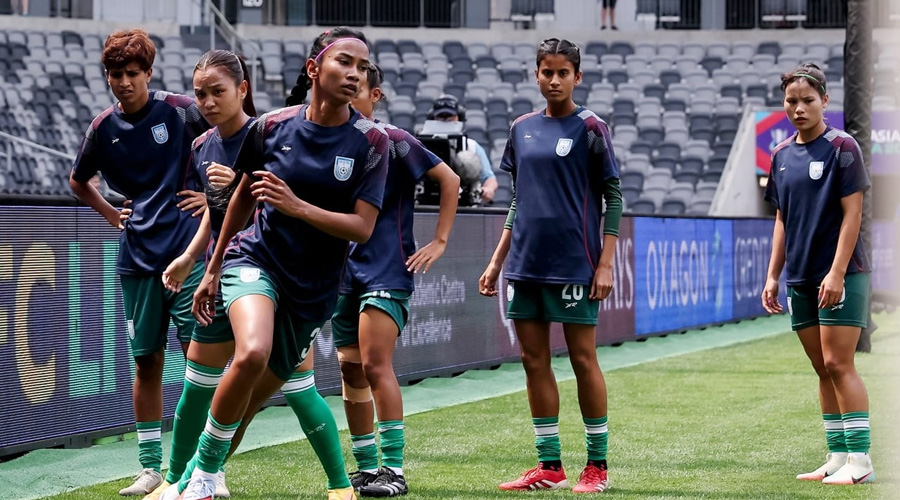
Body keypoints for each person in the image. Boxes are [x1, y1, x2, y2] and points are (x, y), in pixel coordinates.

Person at [173, 27, 388, 500]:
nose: (355, 74)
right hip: (256, 260)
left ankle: (192, 480)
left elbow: (361, 228)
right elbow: (241, 199)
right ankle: (196, 478)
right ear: (313, 68)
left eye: (362, 67)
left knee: (248, 404)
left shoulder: (372, 142)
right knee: (251, 352)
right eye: (344, 62)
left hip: (313, 291)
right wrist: (212, 267)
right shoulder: (269, 127)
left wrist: (298, 207)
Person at [68, 28, 209, 497]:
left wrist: (211, 197)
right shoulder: (101, 128)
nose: (124, 82)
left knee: (199, 363)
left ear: (149, 72)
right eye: (115, 74)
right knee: (146, 362)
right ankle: (150, 467)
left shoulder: (182, 112)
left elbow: (232, 146)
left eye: (132, 72)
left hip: (188, 255)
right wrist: (111, 213)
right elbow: (78, 180)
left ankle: (203, 467)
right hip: (137, 260)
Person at [478, 38, 622, 494]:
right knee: (533, 360)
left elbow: (614, 197)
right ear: (536, 75)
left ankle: (597, 466)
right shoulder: (521, 128)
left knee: (582, 359)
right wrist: (497, 260)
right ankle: (550, 466)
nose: (554, 80)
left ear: (577, 76)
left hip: (575, 264)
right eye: (547, 72)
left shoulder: (591, 127)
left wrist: (605, 263)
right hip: (525, 265)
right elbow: (517, 199)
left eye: (563, 73)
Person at [333, 63, 459, 497]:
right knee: (350, 368)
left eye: (357, 91)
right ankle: (367, 467)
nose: (349, 99)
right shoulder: (333, 141)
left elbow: (449, 179)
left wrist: (440, 240)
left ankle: (394, 470)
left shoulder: (393, 139)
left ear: (376, 96)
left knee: (374, 364)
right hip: (342, 272)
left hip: (386, 269)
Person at [138, 49, 258, 500]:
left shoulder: (267, 136)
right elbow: (218, 211)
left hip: (265, 271)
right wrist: (193, 257)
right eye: (200, 94)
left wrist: (240, 189)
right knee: (199, 379)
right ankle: (181, 479)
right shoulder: (201, 145)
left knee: (291, 385)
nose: (206, 102)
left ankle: (343, 484)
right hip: (219, 269)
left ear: (242, 90)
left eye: (217, 92)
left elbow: (273, 205)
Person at [762, 63, 874, 485]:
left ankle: (861, 461)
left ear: (825, 101)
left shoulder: (843, 147)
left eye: (808, 100)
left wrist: (837, 273)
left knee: (838, 362)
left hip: (841, 275)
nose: (799, 108)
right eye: (791, 101)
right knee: (821, 367)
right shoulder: (779, 154)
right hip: (801, 277)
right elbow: (781, 219)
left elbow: (853, 215)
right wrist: (773, 275)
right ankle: (837, 455)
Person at [428, 94, 498, 204]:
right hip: (427, 202)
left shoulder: (471, 146)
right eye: (441, 117)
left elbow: (489, 178)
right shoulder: (421, 145)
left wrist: (488, 189)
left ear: (459, 117)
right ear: (433, 118)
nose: (446, 121)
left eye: (450, 117)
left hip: (464, 202)